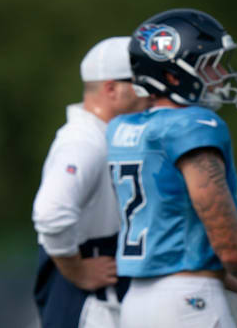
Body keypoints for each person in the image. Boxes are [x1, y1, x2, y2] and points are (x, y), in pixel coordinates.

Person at [106, 8, 237, 327]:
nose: (220, 74)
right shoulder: (193, 125)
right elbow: (229, 247)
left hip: (136, 302)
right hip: (189, 303)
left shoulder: (121, 128)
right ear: (174, 75)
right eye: (209, 65)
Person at [32, 36, 150, 328]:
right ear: (111, 88)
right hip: (90, 296)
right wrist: (76, 270)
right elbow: (50, 213)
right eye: (141, 81)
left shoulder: (105, 136)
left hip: (101, 291)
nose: (151, 91)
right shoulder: (84, 141)